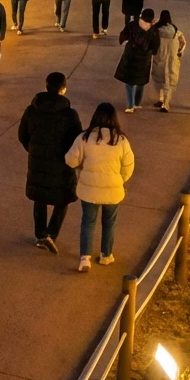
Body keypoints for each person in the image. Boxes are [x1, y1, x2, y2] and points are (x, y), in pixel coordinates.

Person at [65, 103, 135, 272]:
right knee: (109, 222)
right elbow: (129, 165)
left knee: (88, 222)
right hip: (113, 189)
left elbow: (70, 160)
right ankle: (106, 255)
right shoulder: (121, 140)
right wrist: (120, 179)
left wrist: (80, 168)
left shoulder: (85, 137)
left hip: (89, 190)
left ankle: (85, 259)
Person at [18, 73, 82, 254]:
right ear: (63, 88)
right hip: (61, 163)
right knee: (63, 198)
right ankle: (51, 234)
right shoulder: (70, 114)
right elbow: (76, 139)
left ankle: (40, 234)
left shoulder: (32, 110)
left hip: (37, 161)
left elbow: (23, 134)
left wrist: (33, 150)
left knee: (40, 197)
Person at [116, 9, 160, 113]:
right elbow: (155, 46)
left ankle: (130, 105)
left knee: (129, 82)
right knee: (141, 80)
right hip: (144, 59)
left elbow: (123, 35)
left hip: (131, 56)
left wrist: (124, 42)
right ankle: (137, 102)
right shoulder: (153, 30)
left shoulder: (133, 25)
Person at [151, 11, 187, 112]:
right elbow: (183, 42)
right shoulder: (176, 30)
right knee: (169, 81)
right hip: (172, 59)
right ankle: (166, 103)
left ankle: (161, 99)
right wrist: (179, 52)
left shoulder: (156, 30)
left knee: (159, 80)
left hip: (159, 58)